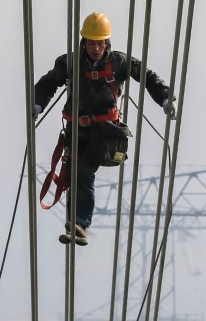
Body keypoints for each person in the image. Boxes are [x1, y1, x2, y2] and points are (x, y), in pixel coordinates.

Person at [34, 12, 174, 246]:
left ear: (107, 42)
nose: (96, 48)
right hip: (76, 130)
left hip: (106, 133)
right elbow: (47, 83)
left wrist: (167, 99)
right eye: (92, 43)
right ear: (84, 43)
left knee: (84, 172)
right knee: (75, 174)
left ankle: (79, 222)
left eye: (100, 43)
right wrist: (37, 104)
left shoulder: (119, 63)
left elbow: (148, 77)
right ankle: (75, 224)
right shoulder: (69, 63)